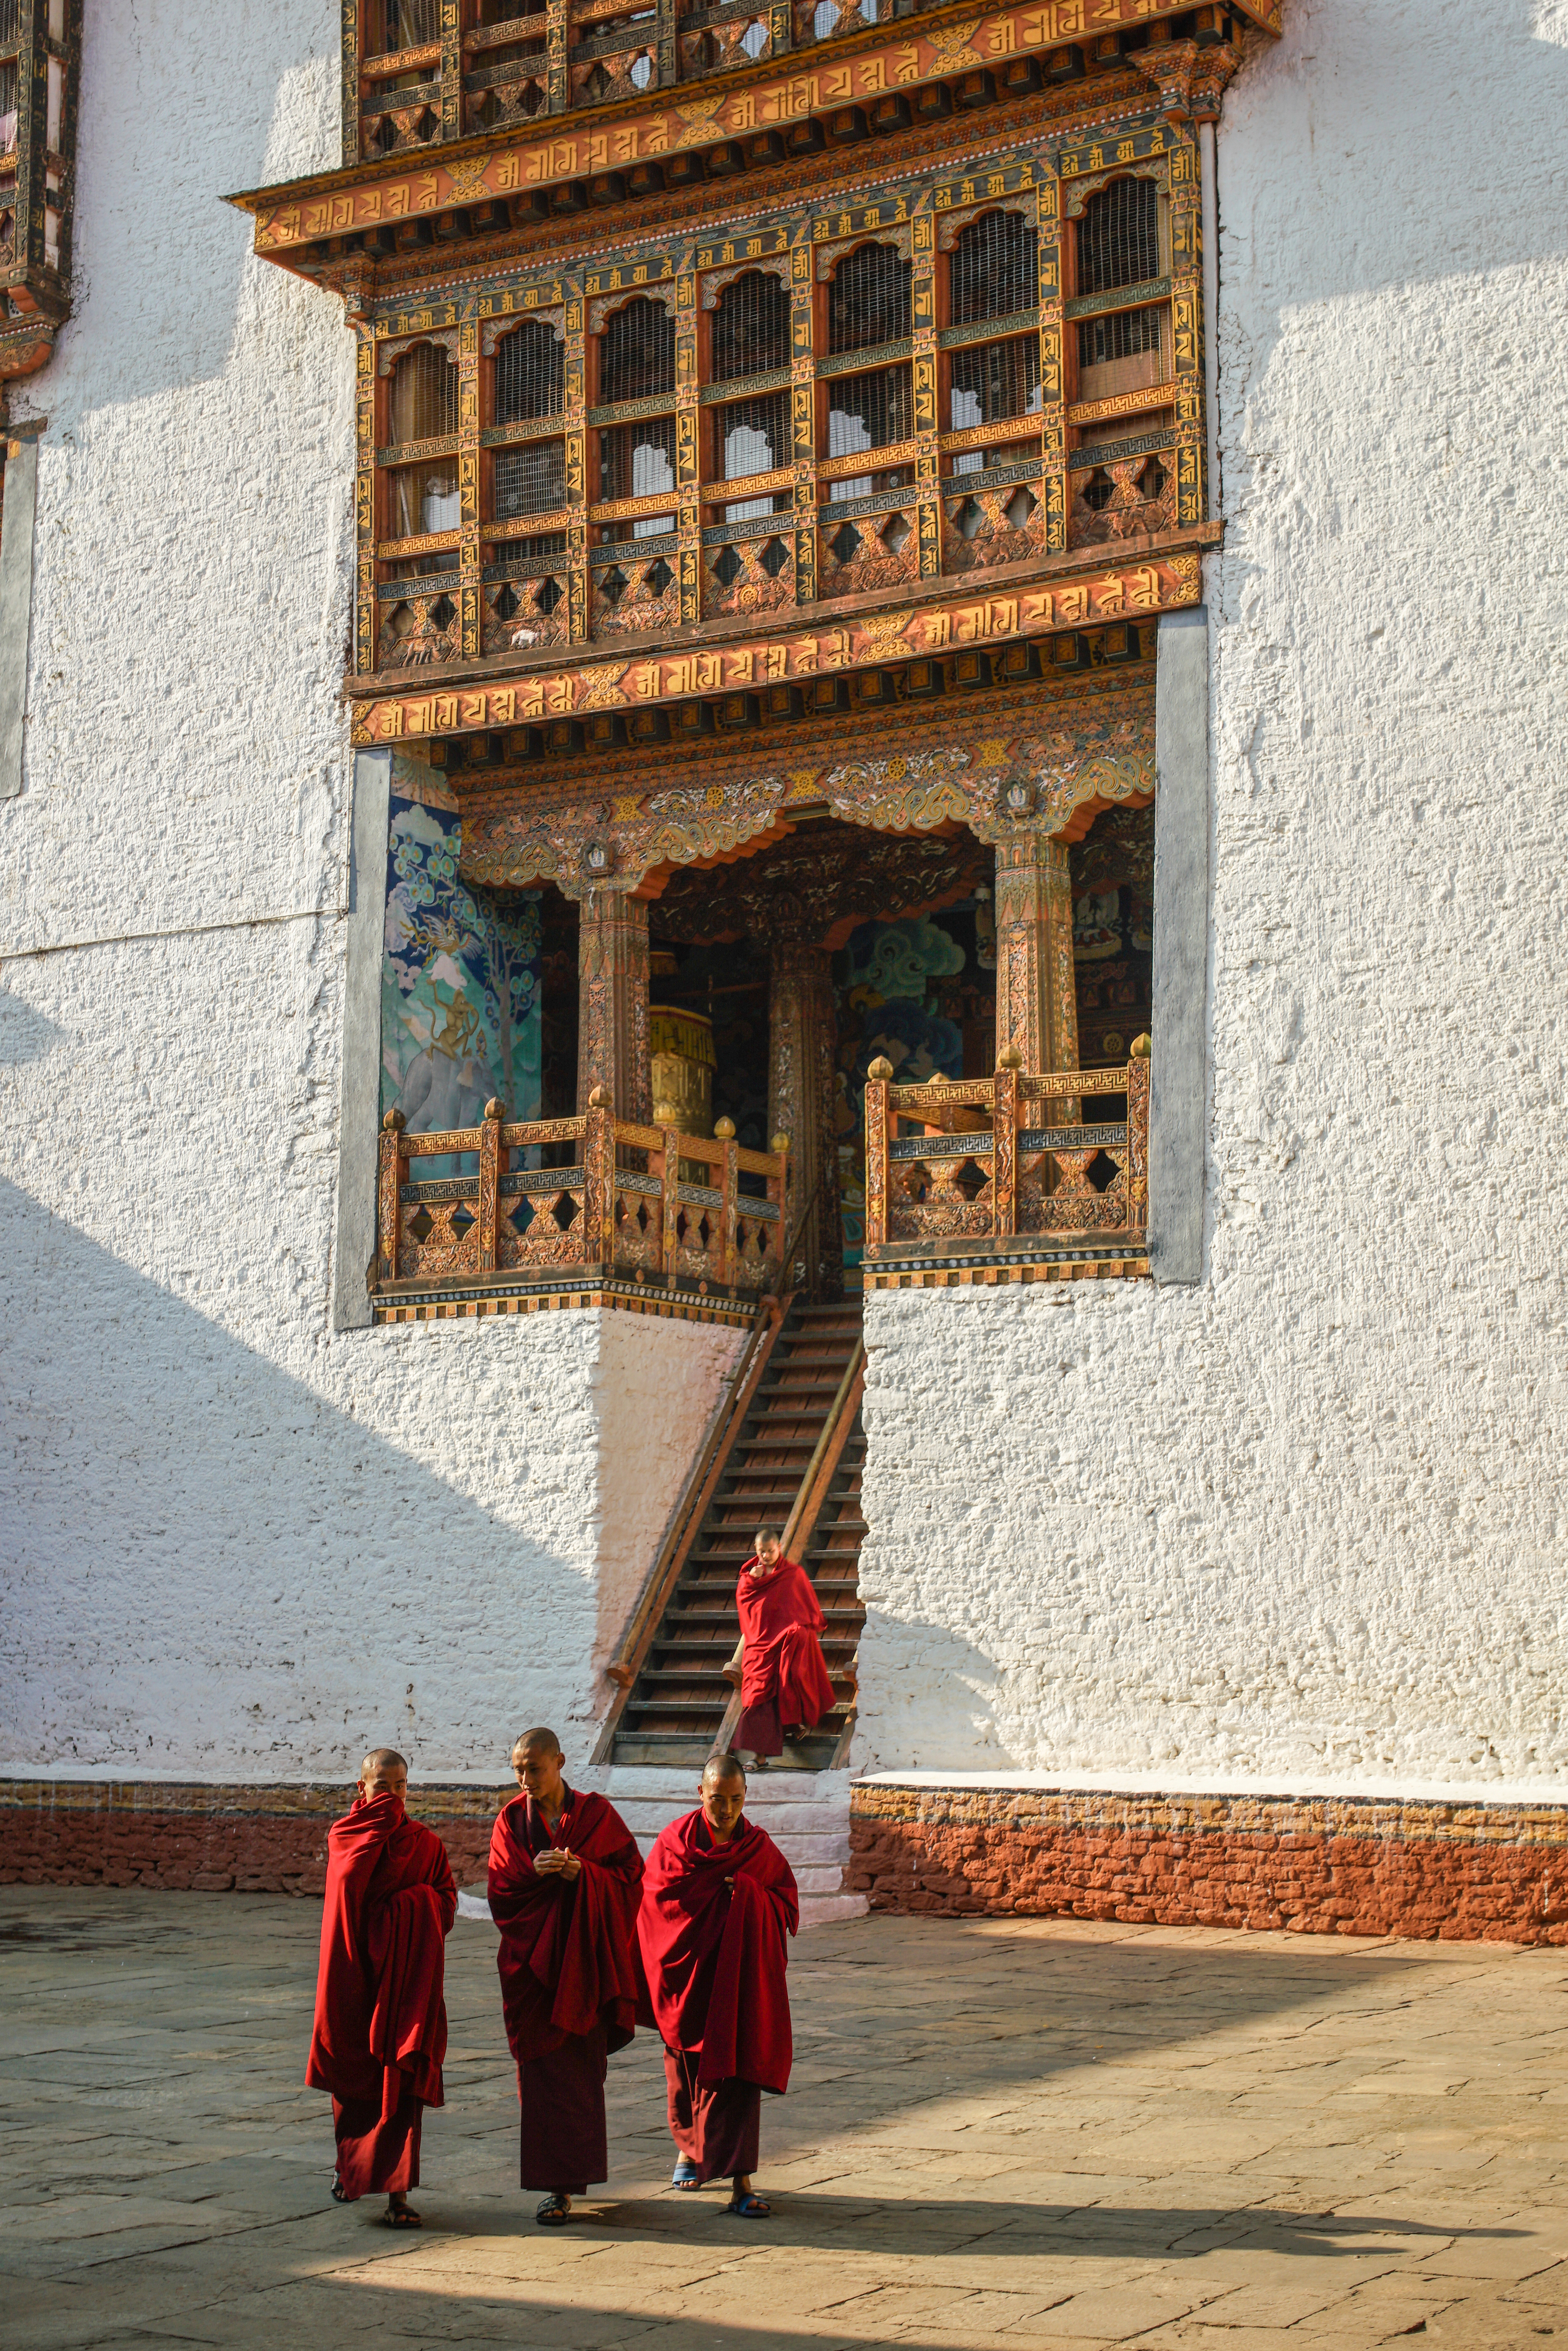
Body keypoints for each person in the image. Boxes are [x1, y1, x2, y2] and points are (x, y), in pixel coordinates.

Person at [487, 1728, 644, 2228]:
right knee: (541, 2082)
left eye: (534, 1768)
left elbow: (631, 1879)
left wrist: (586, 1874)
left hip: (584, 1968)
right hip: (532, 1970)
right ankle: (553, 2189)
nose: (526, 1779)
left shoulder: (596, 1815)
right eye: (518, 1769)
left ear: (558, 1761)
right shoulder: (511, 1820)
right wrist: (534, 1873)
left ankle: (569, 2182)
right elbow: (500, 1891)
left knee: (578, 2080)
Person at [636, 1751, 799, 2218]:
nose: (725, 1810)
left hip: (738, 1979)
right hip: (686, 1973)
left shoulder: (758, 1848)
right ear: (699, 1794)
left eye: (734, 1800)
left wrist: (747, 1896)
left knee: (738, 2072)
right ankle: (689, 2149)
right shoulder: (674, 1844)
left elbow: (785, 1904)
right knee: (685, 2067)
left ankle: (742, 2181)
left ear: (745, 1796)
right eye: (716, 1799)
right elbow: (655, 1906)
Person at [306, 1747, 456, 2228]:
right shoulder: (346, 1836)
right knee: (354, 2082)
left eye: (399, 1787)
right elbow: (349, 1900)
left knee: (401, 2083)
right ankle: (349, 2169)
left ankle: (398, 2194)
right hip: (355, 1978)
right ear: (361, 1788)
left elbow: (447, 1903)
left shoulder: (425, 1843)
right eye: (380, 1786)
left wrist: (417, 1907)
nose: (390, 1796)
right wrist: (405, 1908)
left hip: (405, 1981)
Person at [733, 1525, 837, 1768]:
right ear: (756, 1550)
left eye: (770, 1551)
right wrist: (752, 1581)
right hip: (760, 1644)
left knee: (792, 1668)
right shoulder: (750, 1576)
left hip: (785, 1641)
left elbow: (806, 1608)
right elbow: (745, 1601)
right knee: (757, 1697)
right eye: (762, 1552)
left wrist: (798, 1630)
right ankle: (759, 1758)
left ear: (779, 1547)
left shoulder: (793, 1574)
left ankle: (795, 1722)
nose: (767, 1556)